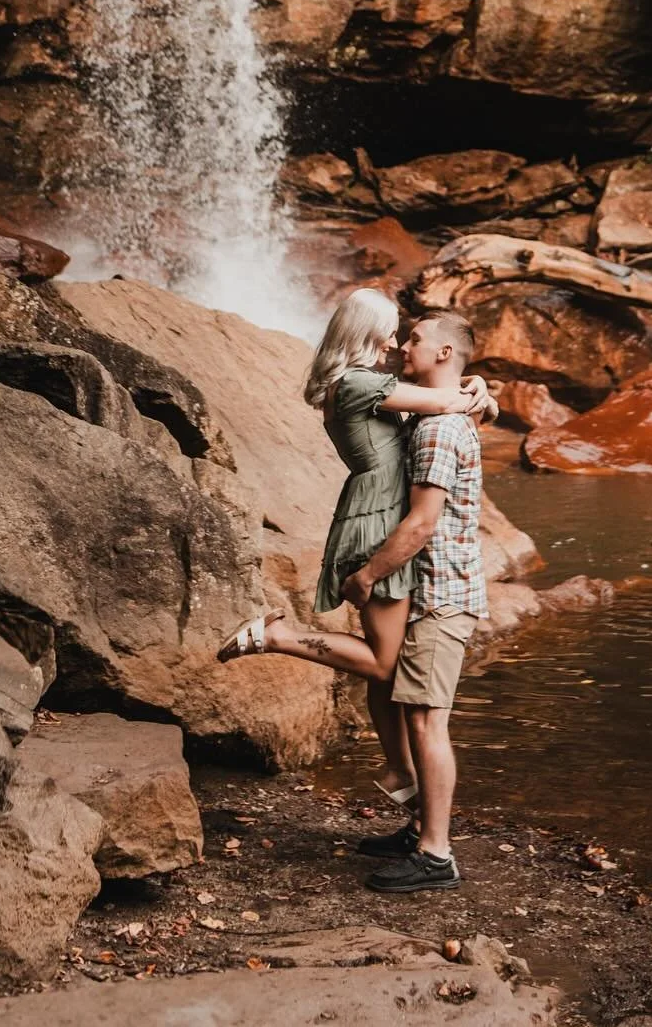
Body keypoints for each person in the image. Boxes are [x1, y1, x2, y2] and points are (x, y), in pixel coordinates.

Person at [216, 288, 493, 809]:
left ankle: (399, 770)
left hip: (371, 517)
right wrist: (475, 390)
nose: (394, 344)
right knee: (386, 664)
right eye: (389, 333)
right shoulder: (357, 383)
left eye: (403, 337)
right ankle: (276, 636)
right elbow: (443, 402)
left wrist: (476, 388)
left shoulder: (366, 384)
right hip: (375, 524)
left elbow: (444, 402)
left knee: (384, 668)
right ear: (364, 333)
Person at [351, 310, 487, 894]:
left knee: (429, 721)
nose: (403, 346)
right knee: (414, 713)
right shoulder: (437, 414)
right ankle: (420, 832)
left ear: (444, 354)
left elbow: (422, 523)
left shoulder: (438, 430)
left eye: (415, 339)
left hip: (441, 595)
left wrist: (367, 575)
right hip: (430, 593)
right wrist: (481, 392)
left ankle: (436, 854)